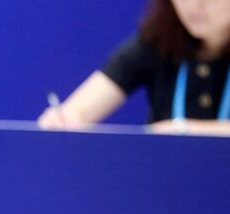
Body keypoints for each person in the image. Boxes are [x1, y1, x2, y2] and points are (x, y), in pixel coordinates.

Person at [38, 0, 230, 135]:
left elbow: (175, 131)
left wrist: (183, 130)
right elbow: (79, 110)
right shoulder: (157, 42)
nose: (194, 5)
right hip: (165, 182)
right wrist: (63, 120)